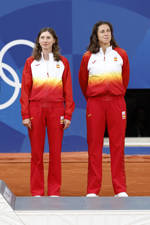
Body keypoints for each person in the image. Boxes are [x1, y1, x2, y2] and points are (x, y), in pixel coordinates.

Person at [20, 27, 75, 197]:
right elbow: (25, 91)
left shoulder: (63, 62)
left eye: (48, 37)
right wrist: (25, 114)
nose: (45, 40)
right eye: (42, 37)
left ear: (54, 41)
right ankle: (37, 191)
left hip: (56, 109)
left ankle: (54, 191)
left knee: (55, 153)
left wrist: (67, 114)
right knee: (36, 153)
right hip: (35, 109)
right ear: (38, 41)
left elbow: (68, 90)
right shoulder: (30, 62)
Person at [79, 21, 129, 197]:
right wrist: (95, 98)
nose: (106, 34)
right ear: (96, 35)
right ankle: (93, 190)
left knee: (118, 146)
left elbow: (125, 79)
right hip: (95, 104)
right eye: (102, 31)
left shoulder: (121, 54)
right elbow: (83, 82)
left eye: (108, 31)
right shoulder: (88, 56)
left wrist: (114, 94)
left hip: (116, 103)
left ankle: (120, 189)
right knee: (94, 146)